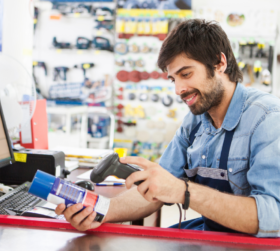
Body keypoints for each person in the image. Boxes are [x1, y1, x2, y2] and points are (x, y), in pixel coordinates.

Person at [55, 19, 280, 237]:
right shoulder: (194, 123)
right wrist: (100, 211)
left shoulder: (267, 119)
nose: (179, 89)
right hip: (213, 236)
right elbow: (156, 190)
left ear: (220, 63)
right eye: (173, 79)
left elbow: (274, 217)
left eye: (186, 74)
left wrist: (183, 191)